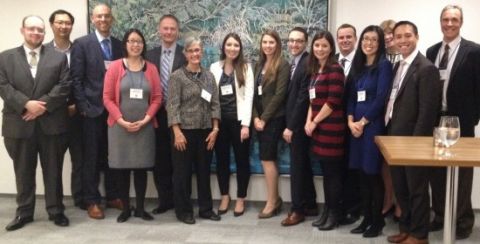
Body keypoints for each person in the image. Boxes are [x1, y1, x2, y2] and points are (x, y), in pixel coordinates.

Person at [0, 15, 70, 231]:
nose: (36, 33)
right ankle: (24, 213)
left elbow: (64, 86)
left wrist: (42, 107)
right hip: (19, 124)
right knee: (23, 171)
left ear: (45, 32)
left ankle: (56, 210)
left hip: (51, 124)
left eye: (40, 30)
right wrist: (25, 104)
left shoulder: (58, 58)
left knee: (53, 170)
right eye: (31, 29)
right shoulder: (5, 57)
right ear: (22, 30)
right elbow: (3, 85)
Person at [426, 4, 480, 240]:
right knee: (437, 170)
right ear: (440, 22)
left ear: (461, 22)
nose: (449, 23)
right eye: (446, 19)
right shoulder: (432, 51)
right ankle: (440, 215)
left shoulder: (474, 51)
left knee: (462, 173)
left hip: (462, 120)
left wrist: (474, 117)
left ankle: (463, 220)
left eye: (454, 20)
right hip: (436, 119)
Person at [385, 21, 441, 244]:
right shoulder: (399, 65)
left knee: (417, 189)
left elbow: (428, 112)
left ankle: (419, 235)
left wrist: (416, 144)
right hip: (396, 138)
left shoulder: (426, 68)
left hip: (414, 142)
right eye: (398, 36)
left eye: (407, 35)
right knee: (401, 188)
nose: (403, 40)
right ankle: (406, 227)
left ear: (416, 37)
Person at [103, 29, 162, 223]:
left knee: (141, 168)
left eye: (139, 41)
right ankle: (126, 209)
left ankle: (141, 208)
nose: (135, 45)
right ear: (125, 44)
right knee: (121, 168)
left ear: (143, 45)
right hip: (119, 128)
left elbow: (157, 98)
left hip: (144, 128)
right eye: (131, 41)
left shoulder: (151, 68)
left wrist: (146, 119)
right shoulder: (114, 68)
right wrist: (120, 120)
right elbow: (107, 98)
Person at [70, 3, 123, 219]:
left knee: (112, 156)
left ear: (112, 19)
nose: (103, 19)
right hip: (91, 111)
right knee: (91, 157)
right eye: (99, 16)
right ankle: (92, 200)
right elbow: (76, 79)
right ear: (93, 19)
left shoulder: (119, 45)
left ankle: (112, 195)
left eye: (107, 16)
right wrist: (83, 107)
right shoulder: (82, 44)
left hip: (114, 112)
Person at [167, 36, 221, 224]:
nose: (195, 54)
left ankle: (206, 209)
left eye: (197, 50)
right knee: (182, 174)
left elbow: (215, 104)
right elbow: (172, 105)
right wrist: (177, 132)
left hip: (206, 131)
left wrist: (215, 129)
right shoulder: (177, 76)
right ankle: (183, 211)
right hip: (184, 132)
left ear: (202, 51)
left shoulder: (209, 76)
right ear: (185, 54)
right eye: (191, 51)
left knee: (204, 171)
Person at [347, 25, 392, 238]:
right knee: (361, 175)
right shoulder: (359, 66)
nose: (369, 43)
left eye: (374, 40)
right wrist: (350, 122)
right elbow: (351, 98)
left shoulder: (384, 66)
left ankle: (377, 220)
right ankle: (366, 218)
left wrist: (362, 122)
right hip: (354, 127)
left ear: (380, 43)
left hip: (371, 127)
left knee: (372, 173)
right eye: (366, 39)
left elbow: (381, 97)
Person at [145, 14, 187, 215]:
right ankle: (165, 200)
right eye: (165, 28)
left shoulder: (185, 54)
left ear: (177, 31)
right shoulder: (149, 55)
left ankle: (180, 202)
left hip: (179, 116)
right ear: (159, 30)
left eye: (172, 28)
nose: (169, 32)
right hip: (156, 114)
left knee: (179, 160)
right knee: (160, 160)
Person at [305, 30, 346, 231]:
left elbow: (332, 102)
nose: (320, 49)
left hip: (331, 128)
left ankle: (334, 214)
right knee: (326, 173)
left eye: (324, 46)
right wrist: (308, 121)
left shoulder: (335, 69)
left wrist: (314, 122)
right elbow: (311, 100)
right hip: (319, 129)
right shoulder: (315, 70)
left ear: (331, 48)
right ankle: (327, 211)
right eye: (317, 45)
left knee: (333, 175)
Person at [210, 33, 254, 217]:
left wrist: (246, 125)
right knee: (222, 161)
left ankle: (241, 198)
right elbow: (210, 95)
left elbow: (249, 96)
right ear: (223, 47)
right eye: (229, 44)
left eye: (236, 45)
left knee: (242, 160)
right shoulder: (214, 67)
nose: (232, 48)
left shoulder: (246, 68)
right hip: (219, 123)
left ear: (240, 48)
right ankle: (225, 196)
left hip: (239, 122)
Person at [46, 9, 85, 210]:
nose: (63, 26)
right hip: (53, 116)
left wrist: (77, 105)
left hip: (78, 115)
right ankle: (56, 205)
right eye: (59, 22)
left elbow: (84, 81)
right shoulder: (44, 52)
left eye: (67, 23)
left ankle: (79, 199)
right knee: (54, 163)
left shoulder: (80, 49)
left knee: (80, 160)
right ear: (52, 25)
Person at [280, 27, 318, 227]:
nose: (294, 44)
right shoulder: (296, 62)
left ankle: (297, 210)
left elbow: (303, 98)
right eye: (291, 40)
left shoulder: (305, 64)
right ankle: (310, 204)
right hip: (298, 124)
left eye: (299, 41)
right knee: (303, 165)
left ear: (305, 43)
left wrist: (291, 127)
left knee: (297, 168)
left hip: (299, 126)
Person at [252, 29, 289, 219]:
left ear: (277, 44)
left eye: (271, 42)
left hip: (274, 120)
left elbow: (280, 95)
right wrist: (255, 117)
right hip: (260, 120)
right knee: (268, 159)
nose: (268, 45)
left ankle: (272, 202)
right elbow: (253, 94)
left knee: (267, 159)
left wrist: (264, 118)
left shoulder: (283, 64)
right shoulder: (259, 64)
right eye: (265, 42)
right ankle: (276, 199)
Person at [336, 23, 361, 225]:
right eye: (341, 37)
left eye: (348, 37)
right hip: (333, 124)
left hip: (355, 123)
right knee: (338, 168)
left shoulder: (362, 62)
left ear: (355, 38)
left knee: (353, 167)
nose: (344, 40)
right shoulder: (332, 61)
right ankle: (340, 207)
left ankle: (354, 208)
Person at [379, 18, 402, 222]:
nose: (387, 37)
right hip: (381, 118)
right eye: (384, 33)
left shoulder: (405, 59)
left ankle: (400, 203)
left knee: (400, 164)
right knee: (384, 164)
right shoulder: (380, 60)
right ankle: (388, 199)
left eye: (391, 33)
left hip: (399, 119)